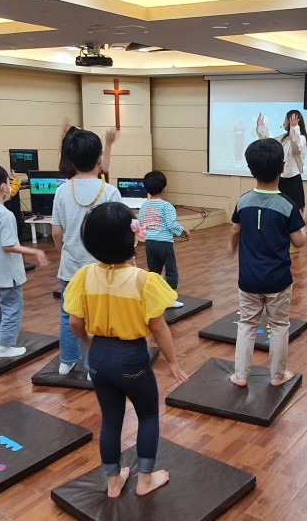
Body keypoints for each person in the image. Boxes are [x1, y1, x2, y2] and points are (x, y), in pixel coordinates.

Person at [64, 202, 189, 497]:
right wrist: (172, 362)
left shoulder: (83, 276)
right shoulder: (144, 280)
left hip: (98, 359)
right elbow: (159, 328)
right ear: (133, 237)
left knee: (110, 419)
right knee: (147, 415)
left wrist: (88, 343)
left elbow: (74, 322)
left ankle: (113, 482)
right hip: (132, 359)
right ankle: (145, 481)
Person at [229, 138, 307, 387]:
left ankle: (240, 375)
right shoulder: (287, 205)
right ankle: (277, 375)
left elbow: (234, 230)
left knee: (246, 325)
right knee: (280, 326)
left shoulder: (243, 201)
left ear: (251, 170)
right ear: (282, 168)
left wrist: (232, 249)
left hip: (249, 279)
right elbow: (299, 242)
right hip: (278, 281)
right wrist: (304, 222)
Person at [52, 128, 121, 375]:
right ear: (99, 159)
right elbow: (117, 232)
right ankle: (93, 365)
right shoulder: (109, 191)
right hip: (101, 269)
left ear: (71, 160)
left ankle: (66, 361)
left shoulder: (61, 190)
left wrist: (65, 252)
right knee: (99, 319)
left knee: (67, 314)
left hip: (70, 267)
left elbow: (56, 233)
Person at [0, 163, 49, 357]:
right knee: (12, 308)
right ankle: (5, 346)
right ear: (4, 188)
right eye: (7, 182)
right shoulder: (5, 215)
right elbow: (8, 245)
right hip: (5, 274)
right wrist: (34, 252)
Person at [138, 171, 190, 308]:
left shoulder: (144, 206)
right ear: (164, 188)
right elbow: (171, 224)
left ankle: (153, 297)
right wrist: (183, 231)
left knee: (153, 272)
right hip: (164, 243)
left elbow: (141, 224)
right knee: (171, 270)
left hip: (149, 243)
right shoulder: (167, 206)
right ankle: (169, 298)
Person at [256, 110, 307, 216]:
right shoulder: (283, 138)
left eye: (286, 119)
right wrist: (261, 127)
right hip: (280, 180)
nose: (284, 122)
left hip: (293, 181)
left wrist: (294, 128)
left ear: (291, 120)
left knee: (294, 212)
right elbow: (269, 144)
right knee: (277, 210)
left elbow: (296, 148)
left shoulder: (301, 139)